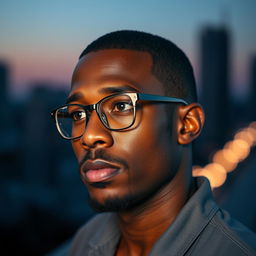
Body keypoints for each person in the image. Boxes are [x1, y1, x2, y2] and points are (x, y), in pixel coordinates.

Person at [51, 30, 256, 255]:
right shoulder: (86, 240)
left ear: (187, 124)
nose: (89, 136)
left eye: (121, 107)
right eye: (77, 115)